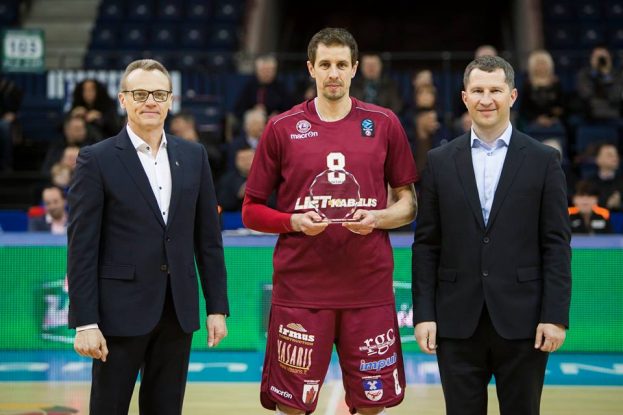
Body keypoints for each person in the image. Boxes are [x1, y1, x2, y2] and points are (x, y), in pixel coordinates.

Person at [242, 27, 418, 415]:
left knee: (372, 404)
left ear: (354, 68)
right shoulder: (281, 127)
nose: (333, 73)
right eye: (325, 65)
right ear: (311, 69)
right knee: (292, 406)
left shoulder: (384, 123)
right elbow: (251, 209)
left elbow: (409, 204)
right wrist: (293, 221)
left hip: (368, 288)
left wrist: (379, 217)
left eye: (341, 64)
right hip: (301, 290)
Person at [66, 59, 229, 415]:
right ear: (123, 99)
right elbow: (81, 248)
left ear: (170, 100)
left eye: (158, 94)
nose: (150, 102)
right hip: (117, 315)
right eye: (140, 94)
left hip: (178, 313)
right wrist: (85, 322)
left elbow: (208, 241)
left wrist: (217, 307)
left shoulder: (194, 155)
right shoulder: (96, 159)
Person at [412, 55, 572, 415]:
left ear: (512, 96)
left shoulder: (544, 160)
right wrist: (424, 314)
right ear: (465, 97)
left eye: (495, 90)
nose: (487, 99)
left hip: (525, 322)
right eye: (478, 91)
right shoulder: (439, 161)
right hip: (456, 322)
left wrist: (555, 315)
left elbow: (556, 245)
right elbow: (426, 246)